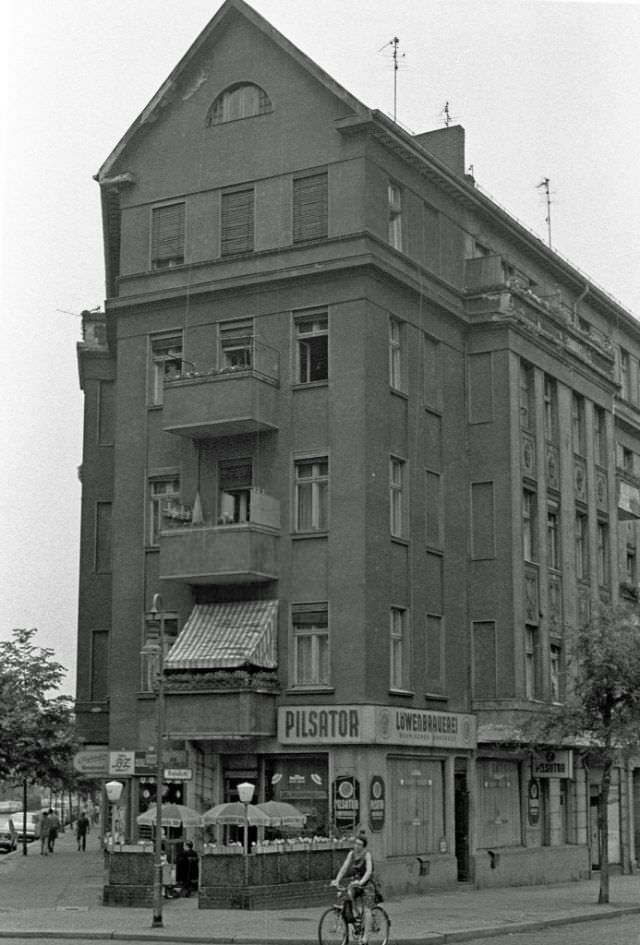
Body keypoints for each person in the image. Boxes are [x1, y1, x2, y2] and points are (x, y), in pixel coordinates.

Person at [331, 835, 374, 945]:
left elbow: (369, 871)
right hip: (356, 882)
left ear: (363, 846)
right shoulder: (351, 854)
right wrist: (337, 880)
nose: (357, 846)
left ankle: (366, 936)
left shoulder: (367, 854)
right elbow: (344, 868)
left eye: (359, 844)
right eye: (356, 843)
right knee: (348, 896)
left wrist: (361, 882)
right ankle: (356, 919)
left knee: (367, 909)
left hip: (367, 883)